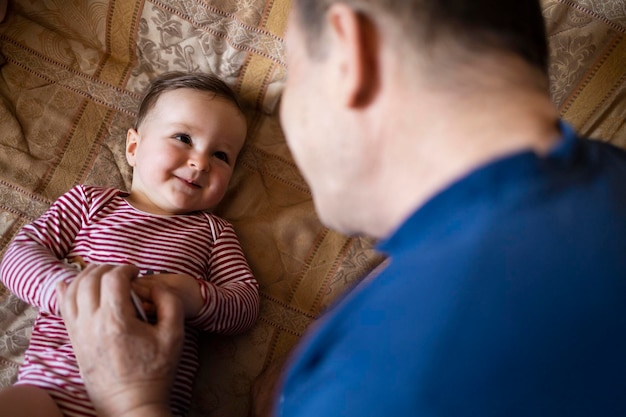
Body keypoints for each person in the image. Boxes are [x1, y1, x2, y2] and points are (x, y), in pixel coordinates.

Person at [56, 0, 626, 416]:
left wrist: (133, 398)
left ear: (350, 54)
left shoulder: (385, 381)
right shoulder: (603, 178)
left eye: (296, 77)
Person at [0, 71, 259, 417]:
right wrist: (72, 294)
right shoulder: (90, 202)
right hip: (52, 392)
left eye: (221, 156)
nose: (200, 162)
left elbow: (245, 305)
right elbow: (19, 256)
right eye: (183, 137)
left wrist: (194, 298)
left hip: (149, 401)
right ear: (134, 147)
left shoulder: (214, 232)